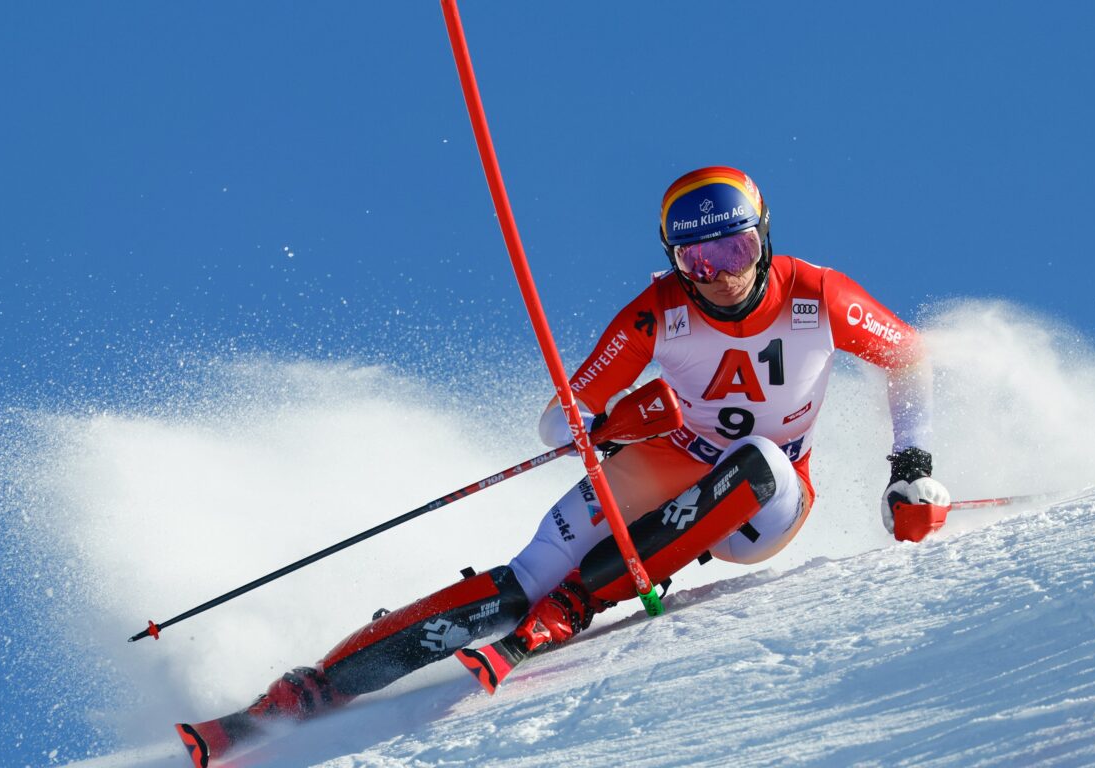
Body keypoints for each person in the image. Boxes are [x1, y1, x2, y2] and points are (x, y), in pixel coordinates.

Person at [175, 166, 951, 766]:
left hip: (763, 501)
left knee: (758, 464)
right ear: (674, 260)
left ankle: (575, 607)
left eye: (735, 250)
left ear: (764, 239)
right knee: (527, 572)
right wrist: (610, 423)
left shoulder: (817, 294)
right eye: (697, 257)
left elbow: (908, 356)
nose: (718, 274)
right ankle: (309, 689)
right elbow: (562, 415)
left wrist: (908, 466)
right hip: (673, 460)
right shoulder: (659, 312)